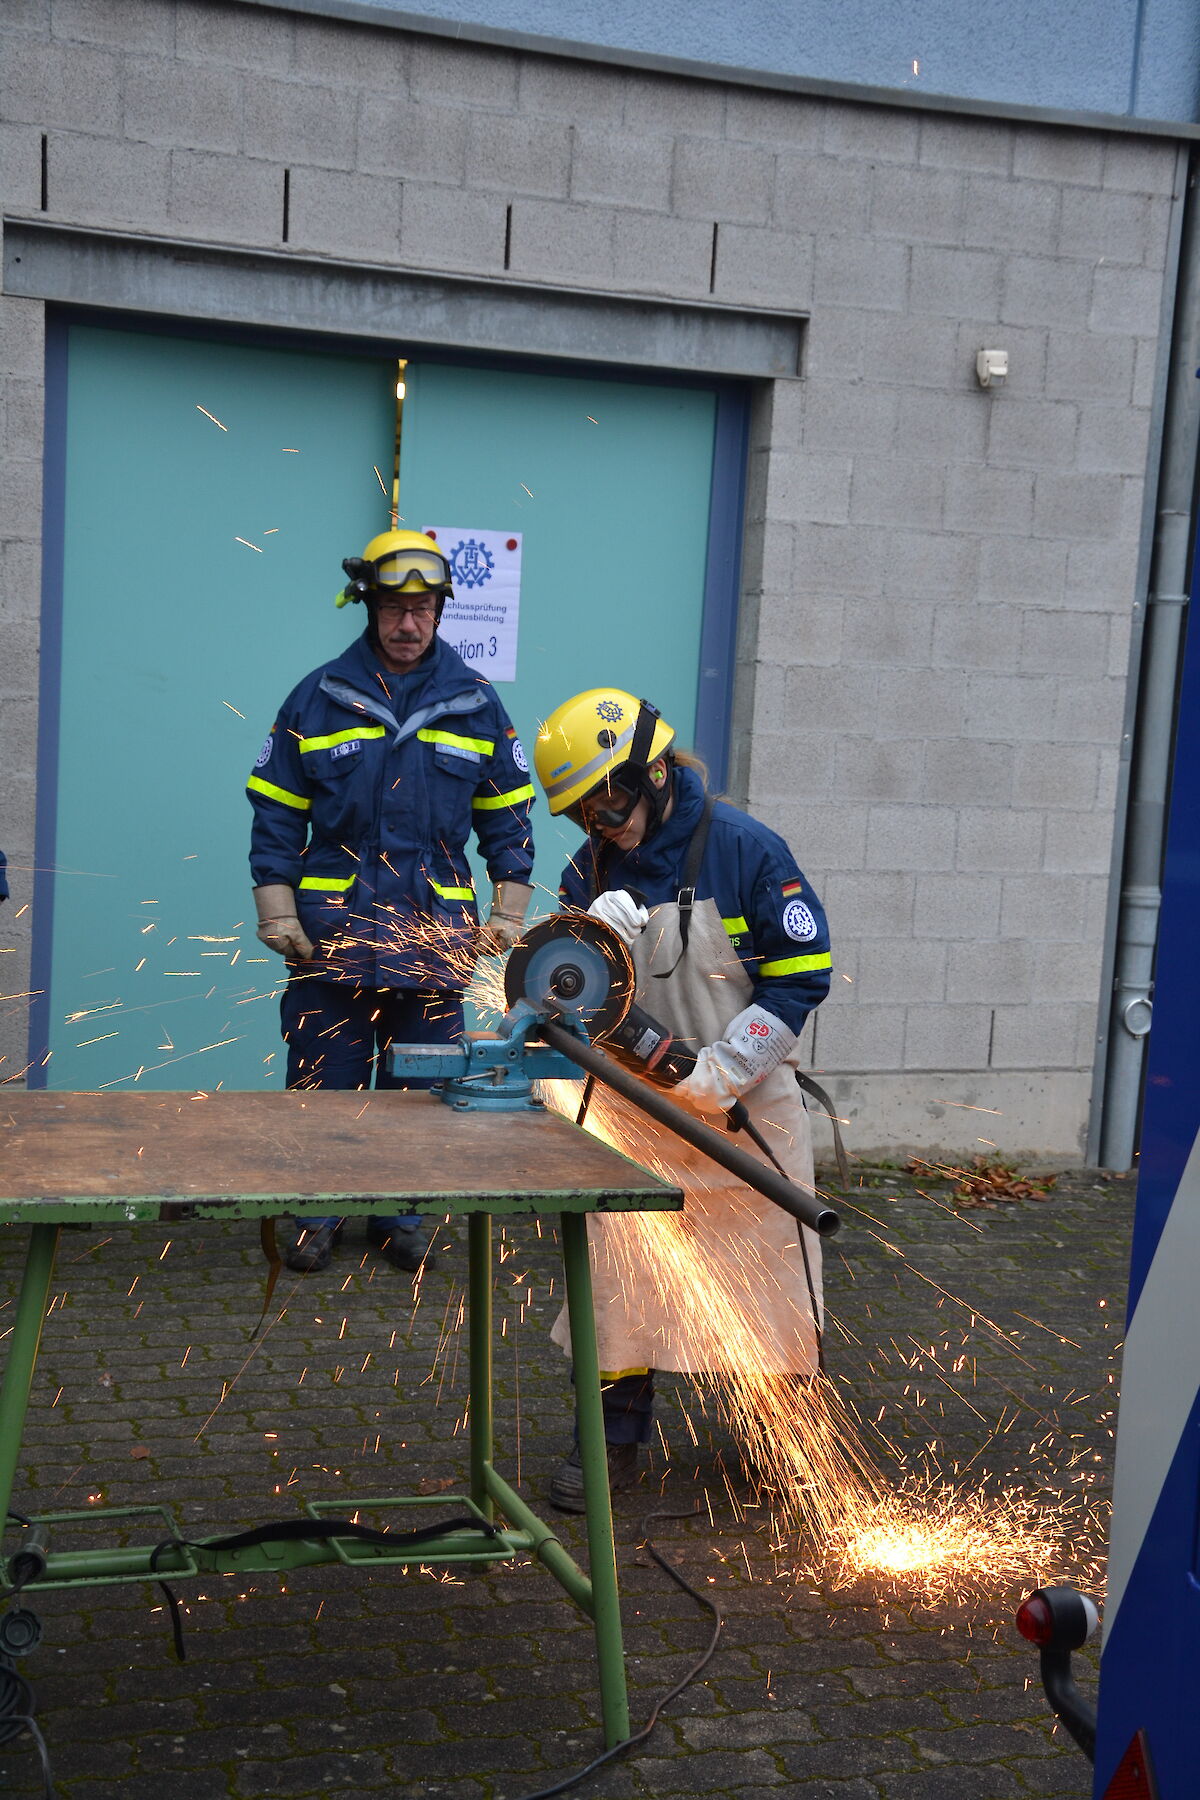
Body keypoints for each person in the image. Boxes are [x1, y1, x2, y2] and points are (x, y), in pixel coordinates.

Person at [532, 687, 831, 1510]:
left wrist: (730, 1065)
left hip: (744, 1117)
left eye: (613, 797)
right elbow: (551, 992)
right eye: (585, 810)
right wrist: (585, 940)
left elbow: (804, 974)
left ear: (654, 769)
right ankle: (613, 1446)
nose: (603, 821)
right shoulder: (590, 869)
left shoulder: (747, 850)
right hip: (634, 1118)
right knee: (621, 1286)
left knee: (769, 1286)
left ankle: (778, 1444)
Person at [247, 528, 535, 1273]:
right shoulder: (316, 698)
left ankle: (398, 1216)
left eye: (423, 609)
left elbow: (508, 817)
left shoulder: (476, 704)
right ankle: (314, 1217)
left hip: (433, 938)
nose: (409, 625)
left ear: (442, 609)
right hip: (332, 935)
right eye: (394, 609)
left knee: (422, 1085)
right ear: (368, 606)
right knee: (324, 1081)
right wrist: (275, 904)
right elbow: (276, 811)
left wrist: (509, 910)